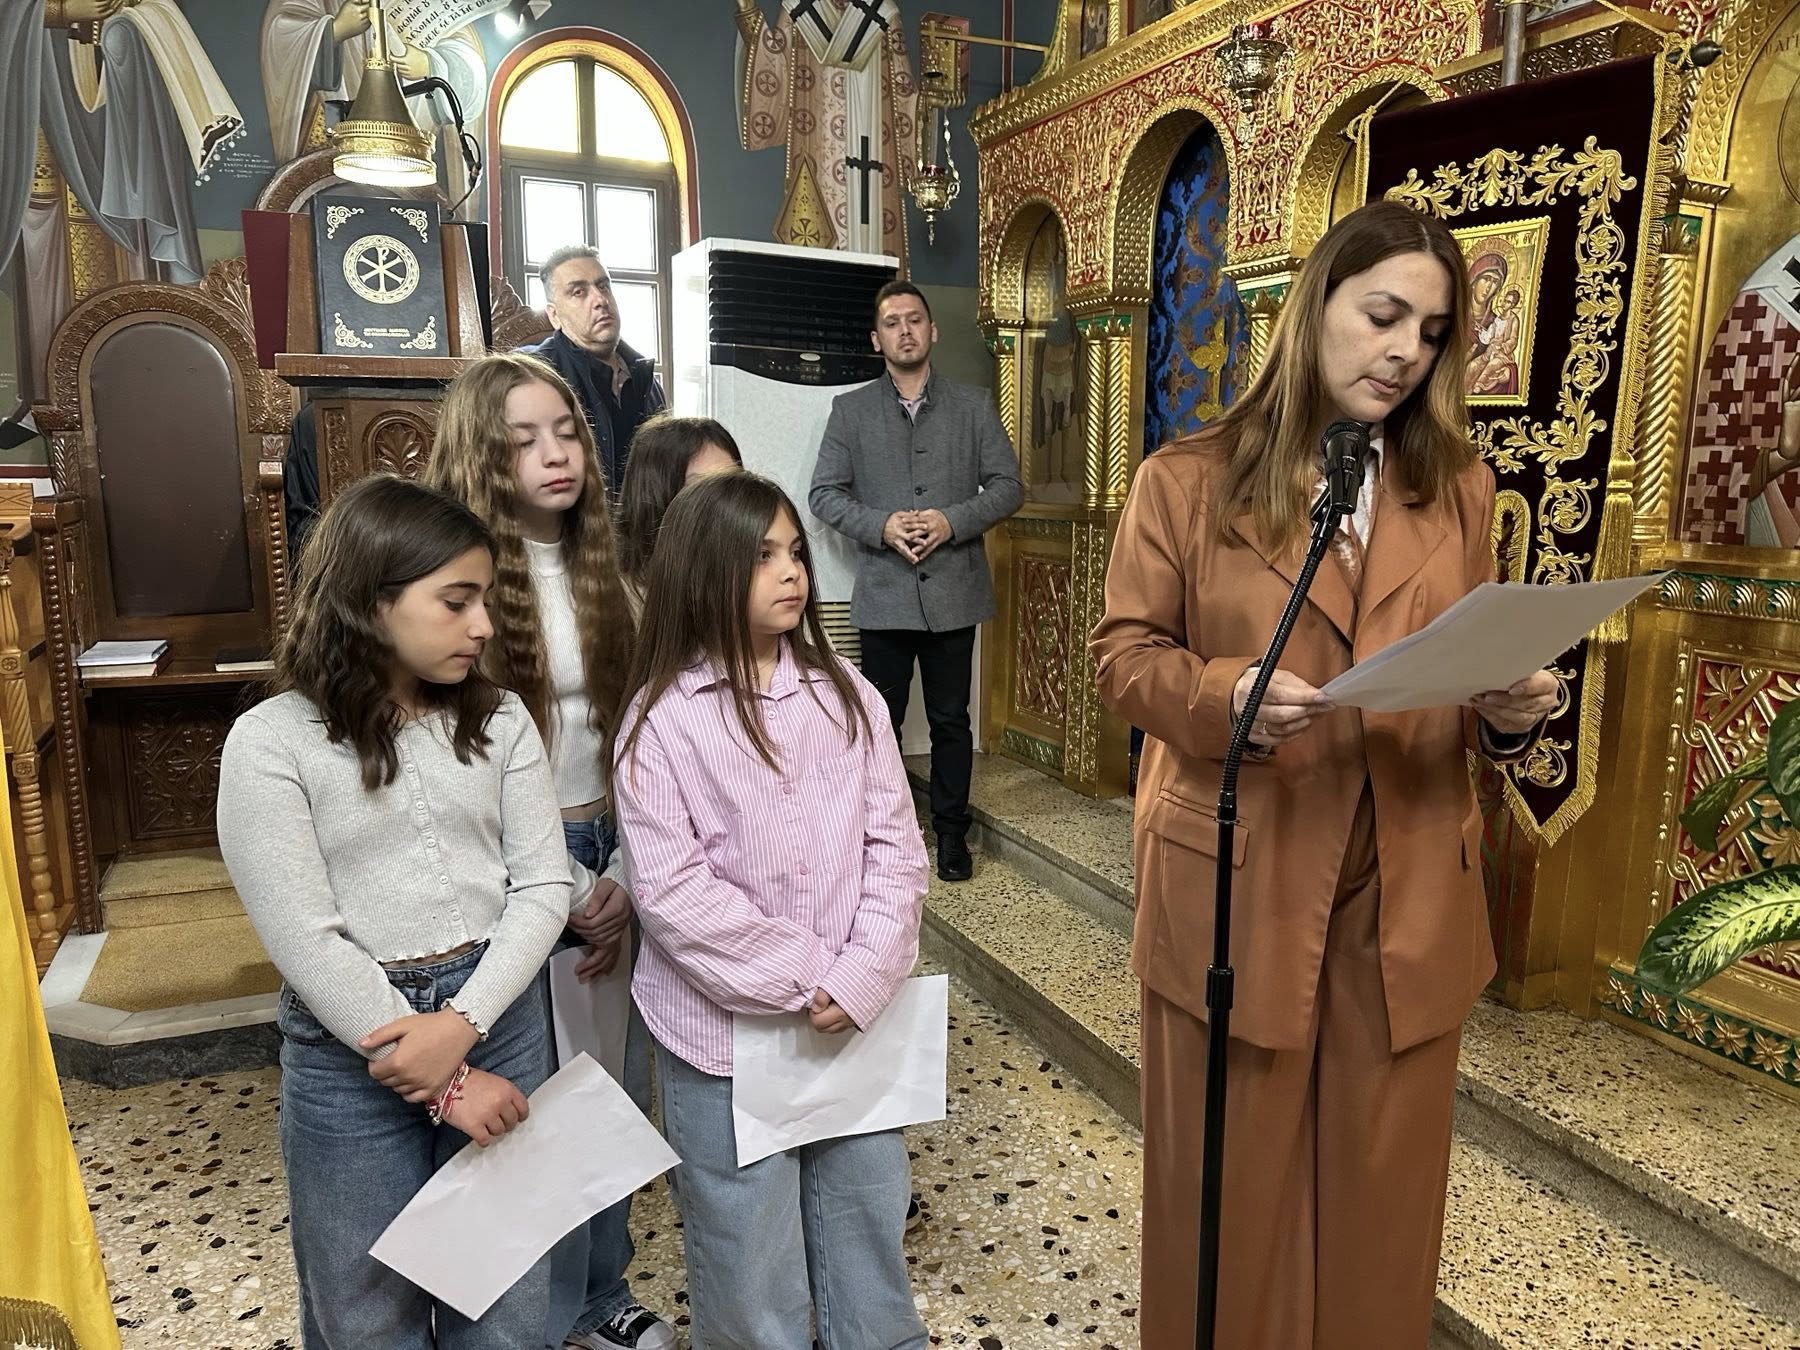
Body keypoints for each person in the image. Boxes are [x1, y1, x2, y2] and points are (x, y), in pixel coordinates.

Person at [1090, 199, 1560, 1350]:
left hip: (1408, 884)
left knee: (1380, 1205)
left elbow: (1469, 666)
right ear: (1314, 307)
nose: (1405, 352)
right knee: (1230, 1204)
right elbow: (1123, 659)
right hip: (1241, 877)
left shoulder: (1459, 486)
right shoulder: (1186, 480)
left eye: (1432, 333)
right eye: (1383, 315)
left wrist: (1506, 712)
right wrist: (1224, 697)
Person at [215, 474, 571, 1349]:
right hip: (352, 1052)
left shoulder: (501, 719)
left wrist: (465, 1022)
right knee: (366, 1309)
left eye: (484, 600)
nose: (482, 626)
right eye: (456, 601)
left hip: (498, 1013)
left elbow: (543, 887)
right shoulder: (272, 741)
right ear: (372, 600)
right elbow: (304, 935)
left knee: (505, 1297)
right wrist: (442, 1078)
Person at [608, 471, 929, 1350]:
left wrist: (864, 971)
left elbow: (896, 849)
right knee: (747, 1249)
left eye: (794, 552)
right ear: (703, 572)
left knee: (865, 1211)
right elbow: (674, 896)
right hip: (723, 1036)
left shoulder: (848, 695)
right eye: (761, 556)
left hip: (852, 1018)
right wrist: (812, 974)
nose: (792, 571)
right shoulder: (661, 721)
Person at [425, 353, 675, 1350]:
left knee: (605, 1088)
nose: (556, 454)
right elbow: (460, 771)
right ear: (482, 458)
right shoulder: (458, 589)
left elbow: (645, 739)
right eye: (524, 440)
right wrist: (565, 883)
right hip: (514, 864)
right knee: (535, 1095)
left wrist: (622, 874)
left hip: (615, 841)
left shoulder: (610, 573)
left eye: (567, 432)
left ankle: (599, 1291)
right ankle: (531, 1305)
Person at [809, 280, 1023, 882]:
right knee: (880, 721)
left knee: (952, 720)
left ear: (933, 331)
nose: (904, 330)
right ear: (876, 340)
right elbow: (824, 493)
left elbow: (1009, 486)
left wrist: (950, 520)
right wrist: (881, 526)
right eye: (892, 322)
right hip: (884, 594)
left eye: (914, 319)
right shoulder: (850, 410)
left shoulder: (974, 405)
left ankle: (951, 834)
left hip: (955, 590)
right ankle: (883, 837)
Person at [519, 245, 667, 499]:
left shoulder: (645, 378)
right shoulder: (534, 374)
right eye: (579, 292)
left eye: (603, 286)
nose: (600, 300)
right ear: (554, 316)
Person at [615, 414, 743, 613]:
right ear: (657, 495)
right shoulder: (617, 601)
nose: (723, 501)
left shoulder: (746, 582)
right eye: (700, 488)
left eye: (732, 484)